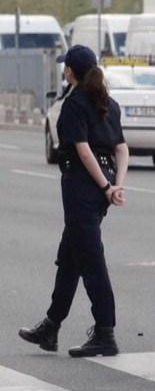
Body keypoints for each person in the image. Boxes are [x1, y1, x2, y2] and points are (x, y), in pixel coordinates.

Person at [19, 45, 128, 358]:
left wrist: (107, 186)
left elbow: (82, 150)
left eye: (65, 67)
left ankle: (105, 332)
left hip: (83, 187)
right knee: (70, 258)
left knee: (91, 259)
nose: (64, 70)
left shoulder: (74, 105)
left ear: (70, 72)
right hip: (99, 188)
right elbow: (122, 149)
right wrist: (116, 185)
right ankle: (51, 325)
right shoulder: (109, 103)